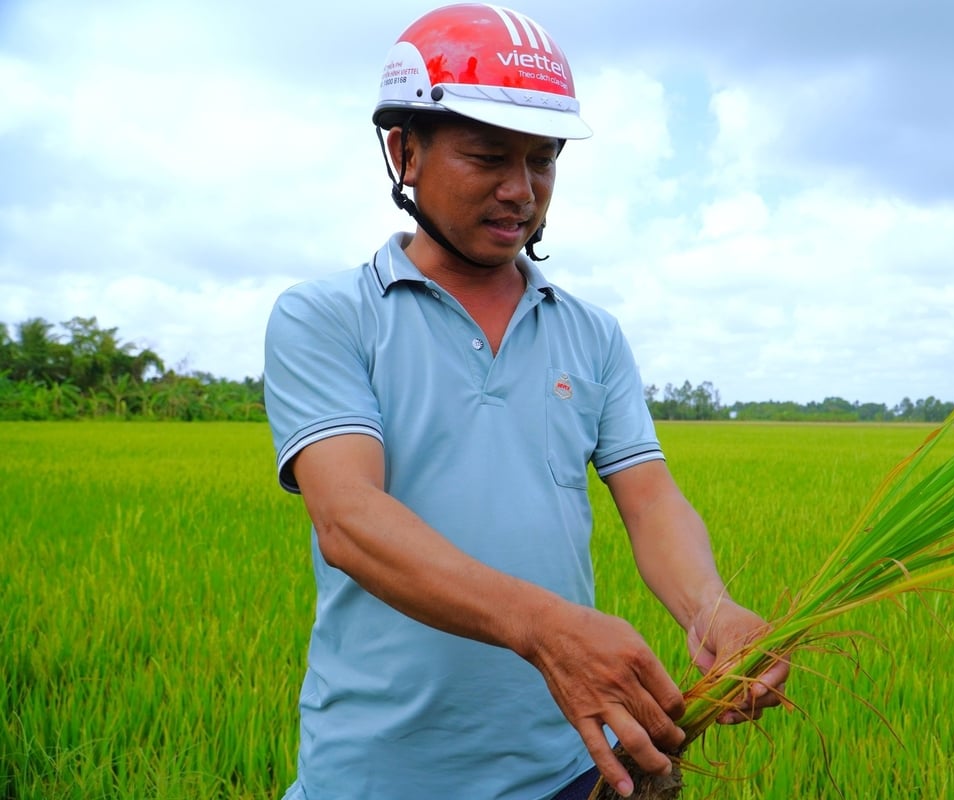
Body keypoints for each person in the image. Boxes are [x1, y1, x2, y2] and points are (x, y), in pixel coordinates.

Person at [263, 5, 788, 799]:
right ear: (405, 150)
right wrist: (546, 630)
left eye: (543, 162)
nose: (521, 191)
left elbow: (650, 501)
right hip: (379, 775)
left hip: (577, 764)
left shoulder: (590, 332)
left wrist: (710, 609)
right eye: (486, 157)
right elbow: (349, 521)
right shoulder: (329, 316)